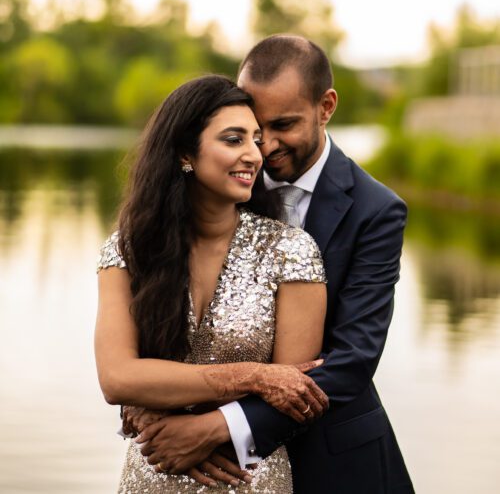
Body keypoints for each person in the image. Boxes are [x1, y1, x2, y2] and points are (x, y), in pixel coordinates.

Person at [128, 35, 415, 493]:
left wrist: (219, 429)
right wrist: (144, 402)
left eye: (284, 125)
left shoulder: (376, 210)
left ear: (326, 107)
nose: (266, 147)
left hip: (333, 458)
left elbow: (352, 361)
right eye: (258, 129)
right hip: (210, 470)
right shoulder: (220, 182)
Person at [94, 74, 330, 492]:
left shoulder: (291, 250)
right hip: (155, 469)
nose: (255, 155)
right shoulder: (130, 249)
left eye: (255, 140)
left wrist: (191, 427)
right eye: (233, 139)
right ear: (186, 151)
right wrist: (255, 376)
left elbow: (293, 393)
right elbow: (116, 378)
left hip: (247, 474)